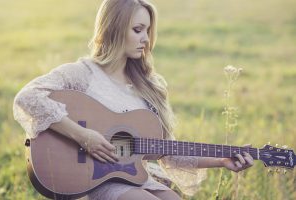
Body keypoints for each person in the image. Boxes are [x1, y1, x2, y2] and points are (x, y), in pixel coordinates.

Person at [13, 0, 254, 199]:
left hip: (137, 175)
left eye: (148, 31)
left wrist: (222, 160)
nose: (146, 39)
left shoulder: (151, 85)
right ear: (114, 28)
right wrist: (84, 136)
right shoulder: (83, 74)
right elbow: (28, 97)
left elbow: (167, 152)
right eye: (138, 30)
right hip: (97, 181)